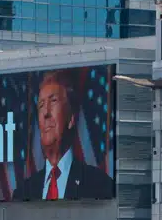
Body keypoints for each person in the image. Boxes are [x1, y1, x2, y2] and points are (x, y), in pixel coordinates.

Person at [25, 71, 116, 201]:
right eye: (41, 105)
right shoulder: (23, 193)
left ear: (71, 118)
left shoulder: (99, 185)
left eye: (53, 101)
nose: (45, 113)